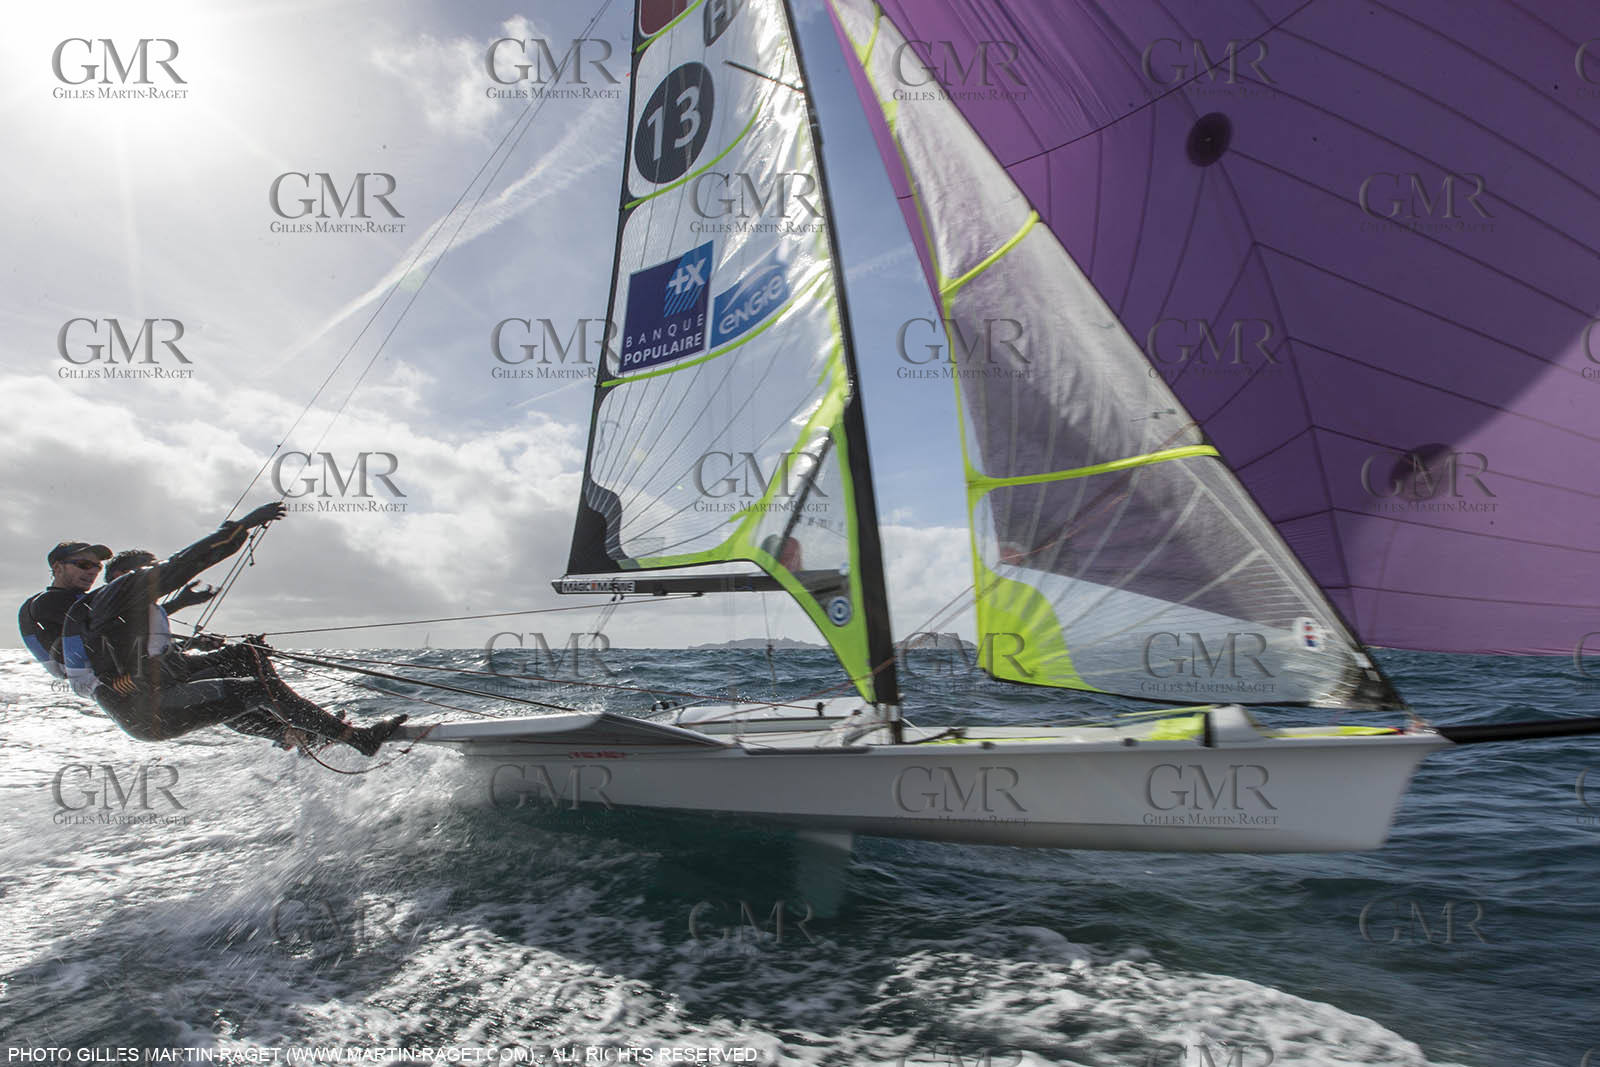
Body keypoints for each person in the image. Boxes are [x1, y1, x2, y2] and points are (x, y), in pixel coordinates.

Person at [61, 502, 405, 756]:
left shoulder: (128, 607)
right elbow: (183, 564)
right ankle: (355, 739)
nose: (155, 574)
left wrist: (194, 638)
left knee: (245, 657)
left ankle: (297, 729)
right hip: (148, 710)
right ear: (123, 577)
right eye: (148, 570)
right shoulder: (116, 595)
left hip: (159, 689)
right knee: (255, 690)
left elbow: (143, 650)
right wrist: (241, 526)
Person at [19, 541, 112, 685]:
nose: (93, 572)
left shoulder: (80, 600)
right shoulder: (49, 601)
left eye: (97, 567)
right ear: (58, 568)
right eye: (84, 565)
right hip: (98, 682)